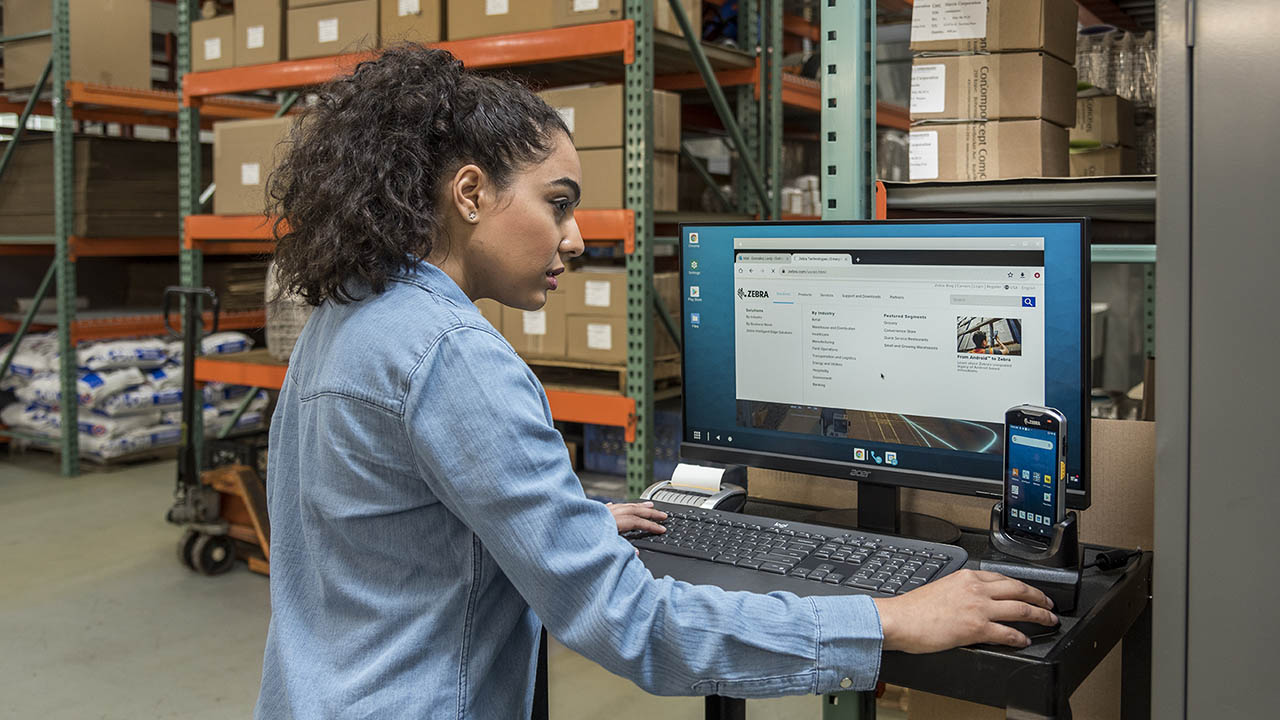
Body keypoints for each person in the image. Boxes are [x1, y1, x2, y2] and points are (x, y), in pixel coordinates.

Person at [255, 45, 1057, 718]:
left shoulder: (349, 315)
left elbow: (385, 532)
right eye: (557, 203)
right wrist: (884, 622)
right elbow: (634, 625)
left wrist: (568, 525)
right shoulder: (452, 354)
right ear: (469, 192)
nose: (574, 239)